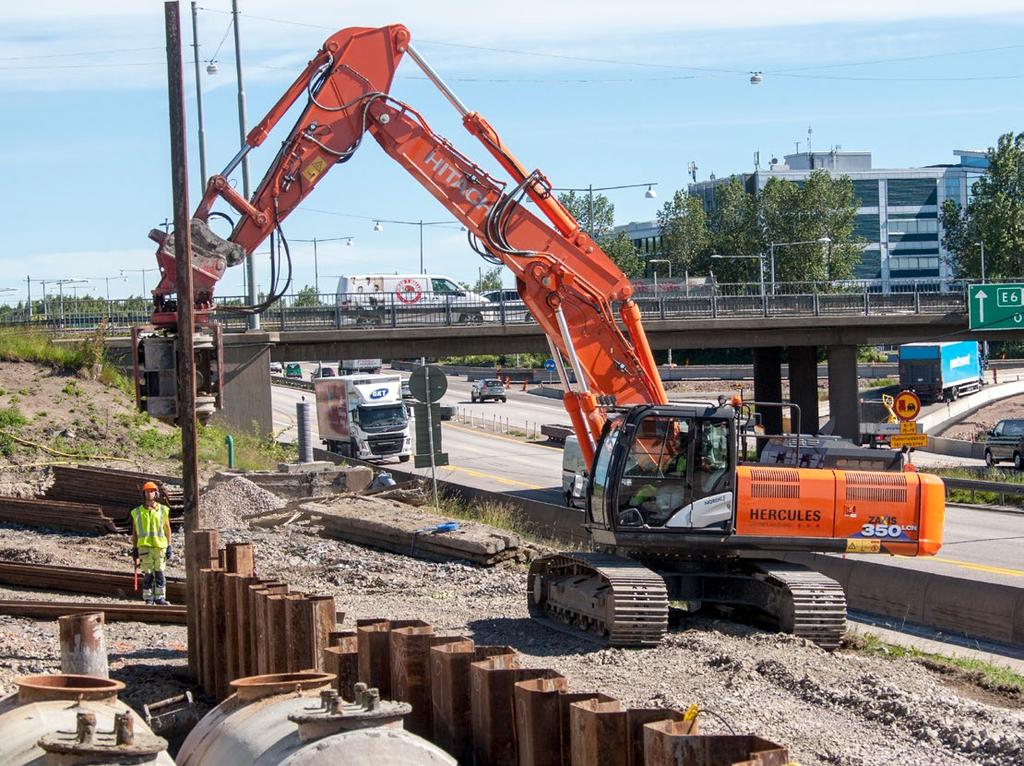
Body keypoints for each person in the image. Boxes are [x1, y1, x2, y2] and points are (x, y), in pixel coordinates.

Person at [130, 481, 172, 606]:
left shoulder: (163, 510)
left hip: (160, 547)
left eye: (152, 491)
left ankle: (160, 598)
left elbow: (167, 529)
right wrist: (135, 548)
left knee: (159, 573)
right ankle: (148, 598)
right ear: (144, 493)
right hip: (144, 547)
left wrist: (169, 545)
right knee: (148, 574)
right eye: (148, 491)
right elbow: (135, 532)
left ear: (156, 493)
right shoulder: (137, 512)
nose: (150, 493)